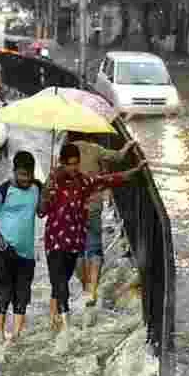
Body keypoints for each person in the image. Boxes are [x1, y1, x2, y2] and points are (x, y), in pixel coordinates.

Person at [40, 142, 147, 332]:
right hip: (55, 242)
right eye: (70, 164)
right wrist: (46, 191)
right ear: (62, 163)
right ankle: (65, 329)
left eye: (76, 164)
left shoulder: (83, 181)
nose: (73, 168)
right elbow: (41, 212)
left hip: (74, 243)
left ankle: (57, 322)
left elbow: (108, 180)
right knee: (60, 283)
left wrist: (135, 171)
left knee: (61, 282)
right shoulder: (52, 182)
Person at [65, 131, 139, 307]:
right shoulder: (95, 149)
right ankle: (92, 290)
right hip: (93, 207)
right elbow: (118, 157)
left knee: (77, 251)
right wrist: (128, 145)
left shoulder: (66, 153)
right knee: (94, 248)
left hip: (72, 210)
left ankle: (85, 288)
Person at [0, 151, 42, 346]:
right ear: (15, 171)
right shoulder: (2, 190)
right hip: (3, 252)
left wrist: (47, 190)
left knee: (22, 296)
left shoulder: (36, 189)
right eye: (22, 175)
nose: (26, 179)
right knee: (4, 294)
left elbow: (41, 212)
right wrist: (2, 243)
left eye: (29, 175)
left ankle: (15, 338)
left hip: (27, 254)